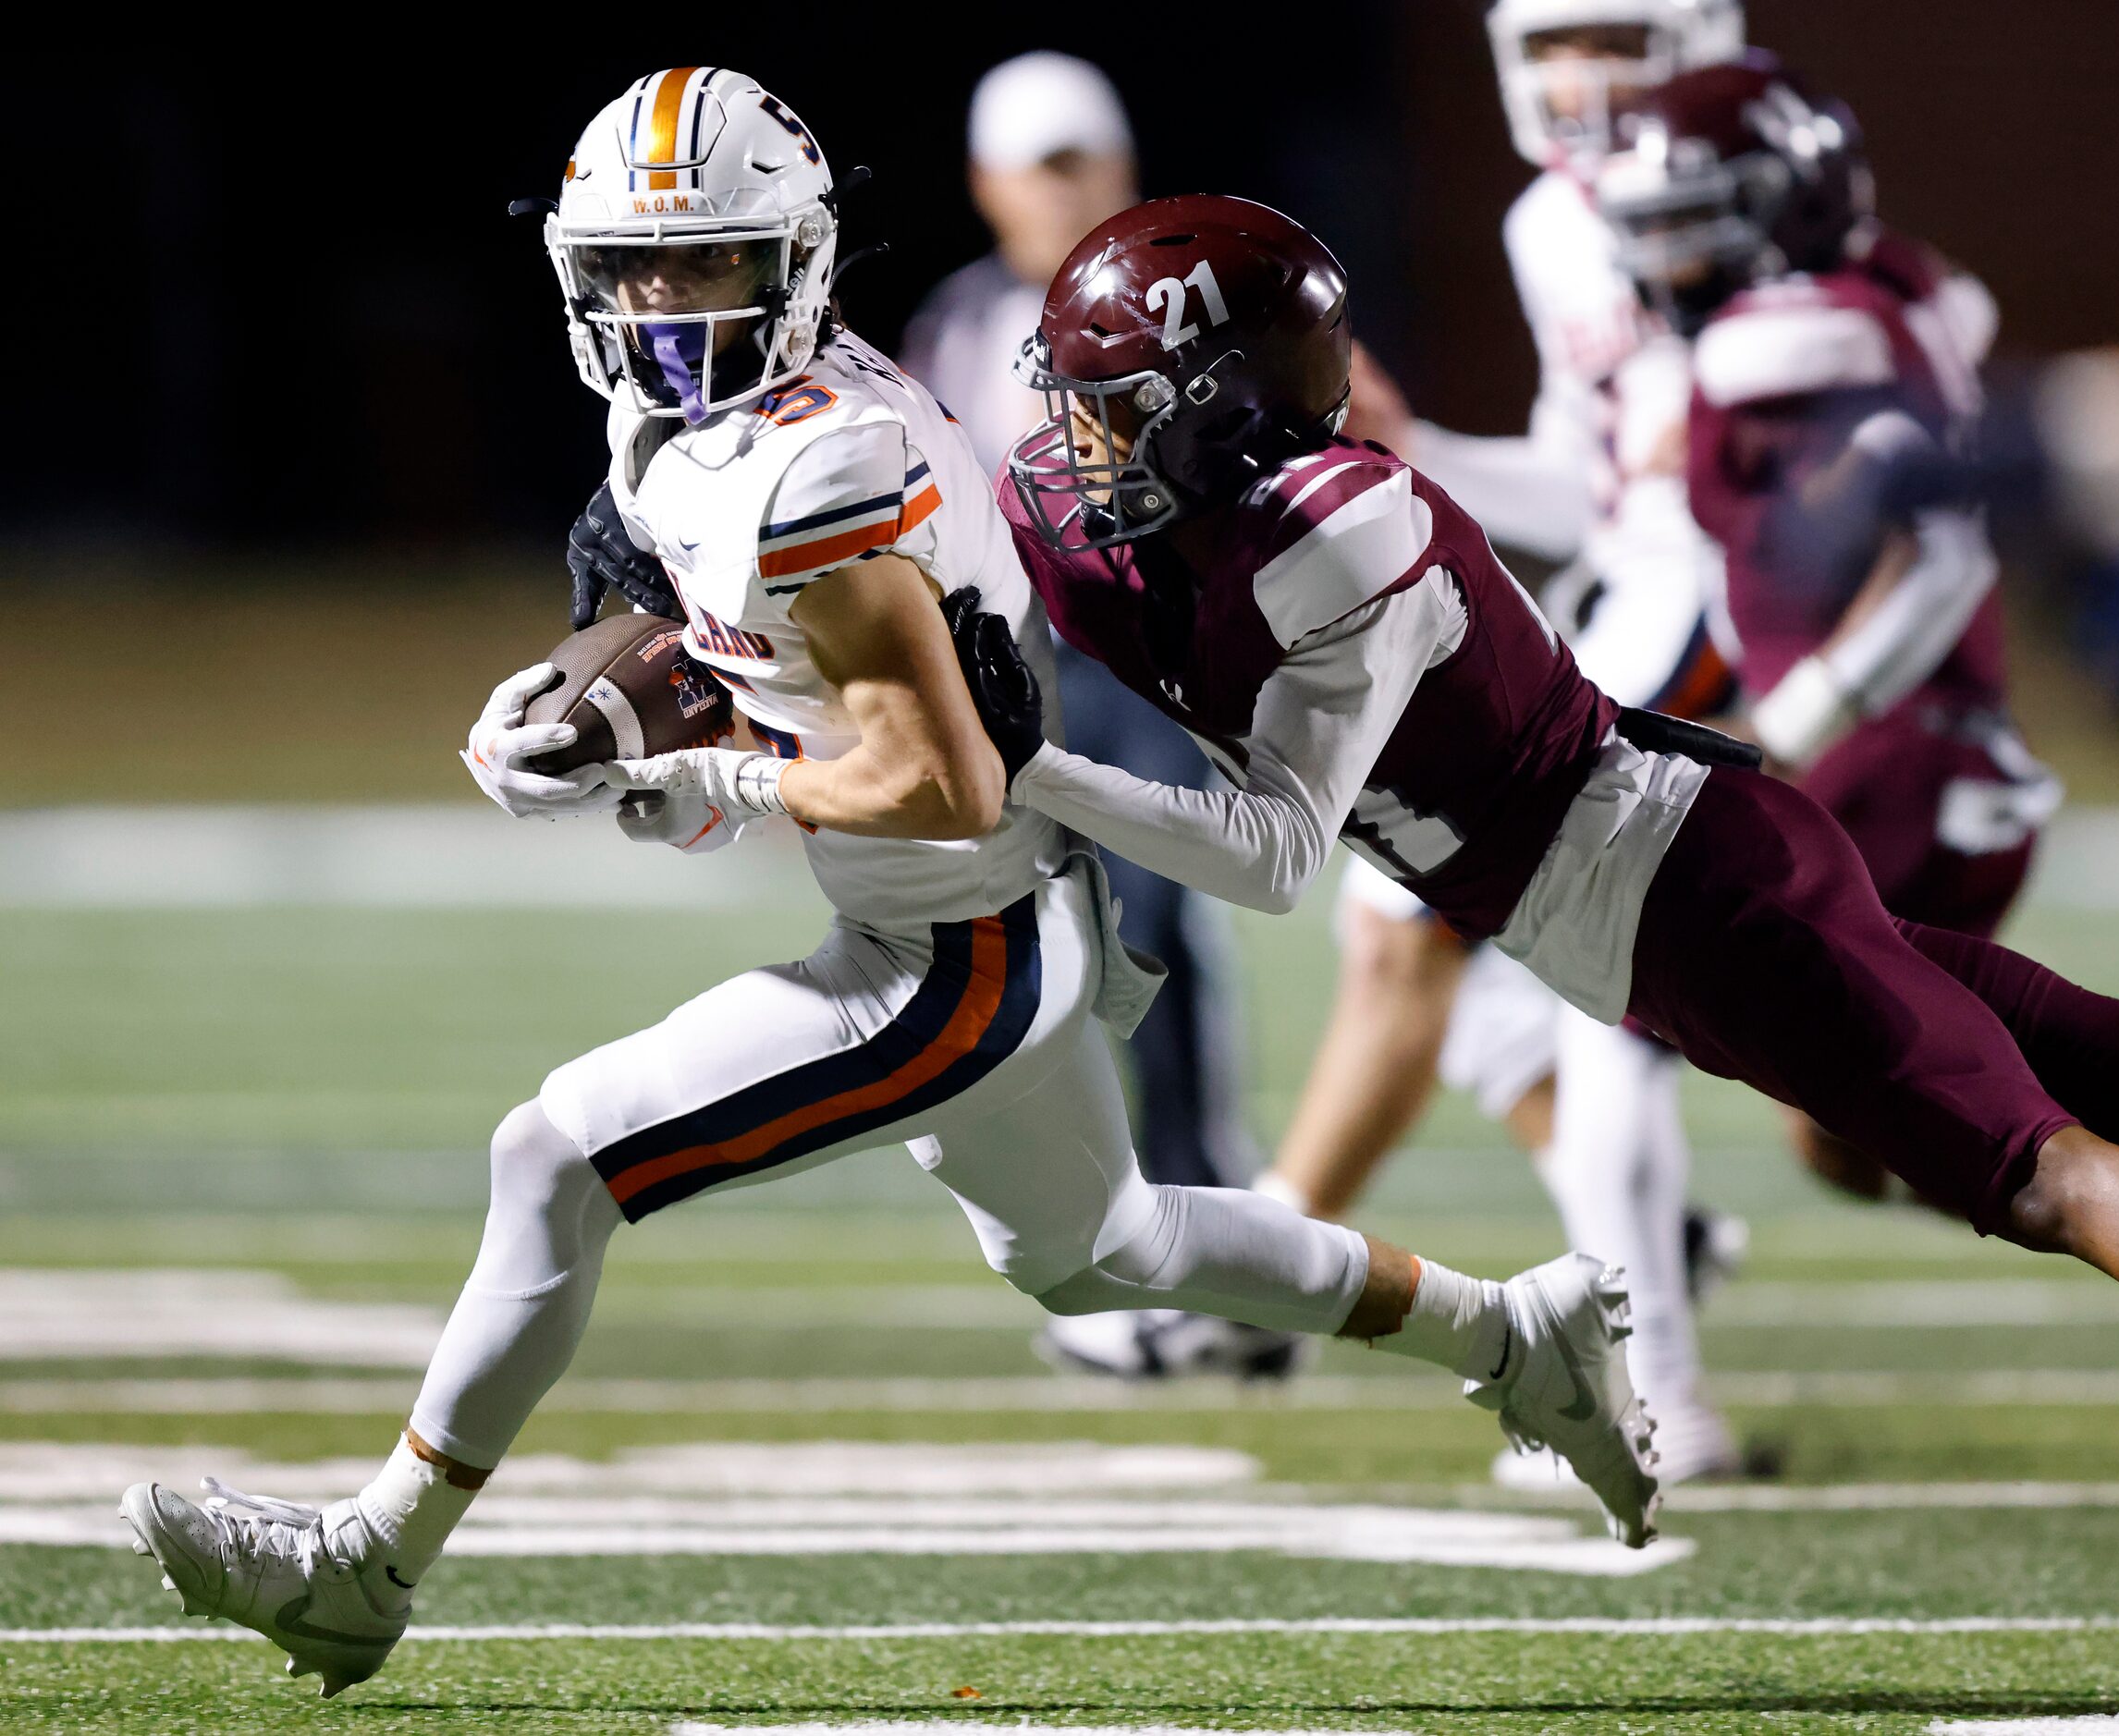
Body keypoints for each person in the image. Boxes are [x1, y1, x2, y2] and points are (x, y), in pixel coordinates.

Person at [113, 71, 1661, 1700]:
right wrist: (568, 709)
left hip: (955, 946)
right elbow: (663, 605)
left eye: (705, 265)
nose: (662, 307)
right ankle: (1519, 1332)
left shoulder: (822, 471)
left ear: (790, 264)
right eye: (635, 270)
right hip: (992, 909)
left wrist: (687, 774)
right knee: (1106, 1251)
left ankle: (364, 1566)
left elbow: (941, 778)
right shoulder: (709, 416)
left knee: (555, 1151)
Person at [960, 191, 2119, 1492]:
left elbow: (1274, 853)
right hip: (1672, 900)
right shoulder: (1190, 530)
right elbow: (980, 534)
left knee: (2046, 1178)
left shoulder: (1338, 537)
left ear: (1221, 416)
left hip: (1692, 902)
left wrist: (1032, 769)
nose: (1070, 437)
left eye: (1112, 404)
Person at [1591, 52, 2119, 1424]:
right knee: (1858, 1135)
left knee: (1622, 1009)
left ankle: (1654, 1396)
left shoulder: (1771, 346)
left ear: (1777, 204)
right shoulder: (1907, 287)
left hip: (1875, 766)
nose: (1662, 256)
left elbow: (1935, 555)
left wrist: (1786, 722)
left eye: (1690, 221)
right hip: (1938, 746)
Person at [1262, 0, 1750, 1481]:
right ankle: (1656, 1267)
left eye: (1610, 37)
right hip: (1632, 590)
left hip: (1735, 608)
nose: (1577, 76)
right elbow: (1599, 490)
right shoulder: (1553, 222)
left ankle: (1656, 1381)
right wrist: (1430, 461)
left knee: (1583, 986)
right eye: (1550, 45)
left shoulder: (1737, 182)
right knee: (1443, 940)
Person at [899, 53, 1280, 1380]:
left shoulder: (1189, 310)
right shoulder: (953, 320)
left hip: (1142, 658)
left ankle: (1208, 1222)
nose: (1065, 193)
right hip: (1011, 665)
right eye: (1040, 168)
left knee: (1159, 927)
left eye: (1084, 163)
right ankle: (1126, 1237)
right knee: (1022, 952)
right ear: (988, 184)